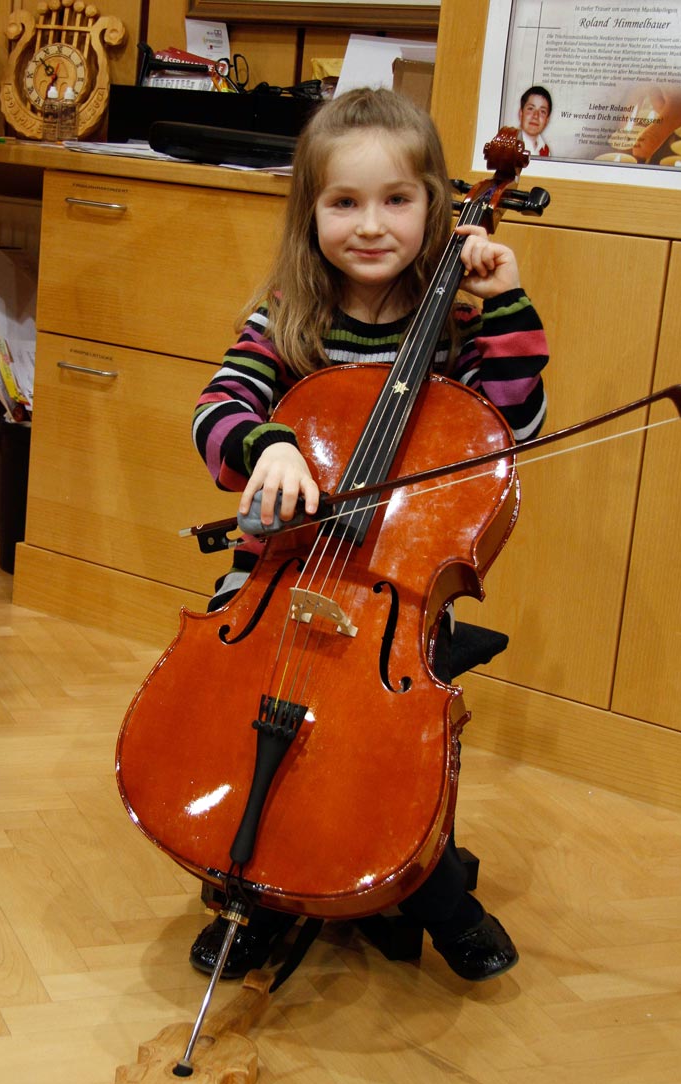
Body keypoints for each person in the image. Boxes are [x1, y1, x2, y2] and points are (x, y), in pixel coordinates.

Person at [189, 87, 548, 983]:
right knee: (246, 721)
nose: (371, 224)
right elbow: (218, 408)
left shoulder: (461, 319)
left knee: (403, 743)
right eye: (343, 202)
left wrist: (502, 304)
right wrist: (268, 445)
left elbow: (517, 424)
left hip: (401, 595)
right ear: (308, 210)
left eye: (396, 199)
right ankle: (254, 888)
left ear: (434, 204)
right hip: (280, 581)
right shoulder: (288, 314)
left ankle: (434, 890)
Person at [518, 86, 552, 157]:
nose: (536, 116)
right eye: (530, 109)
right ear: (521, 113)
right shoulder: (509, 147)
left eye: (542, 111)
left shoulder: (545, 151)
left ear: (547, 120)